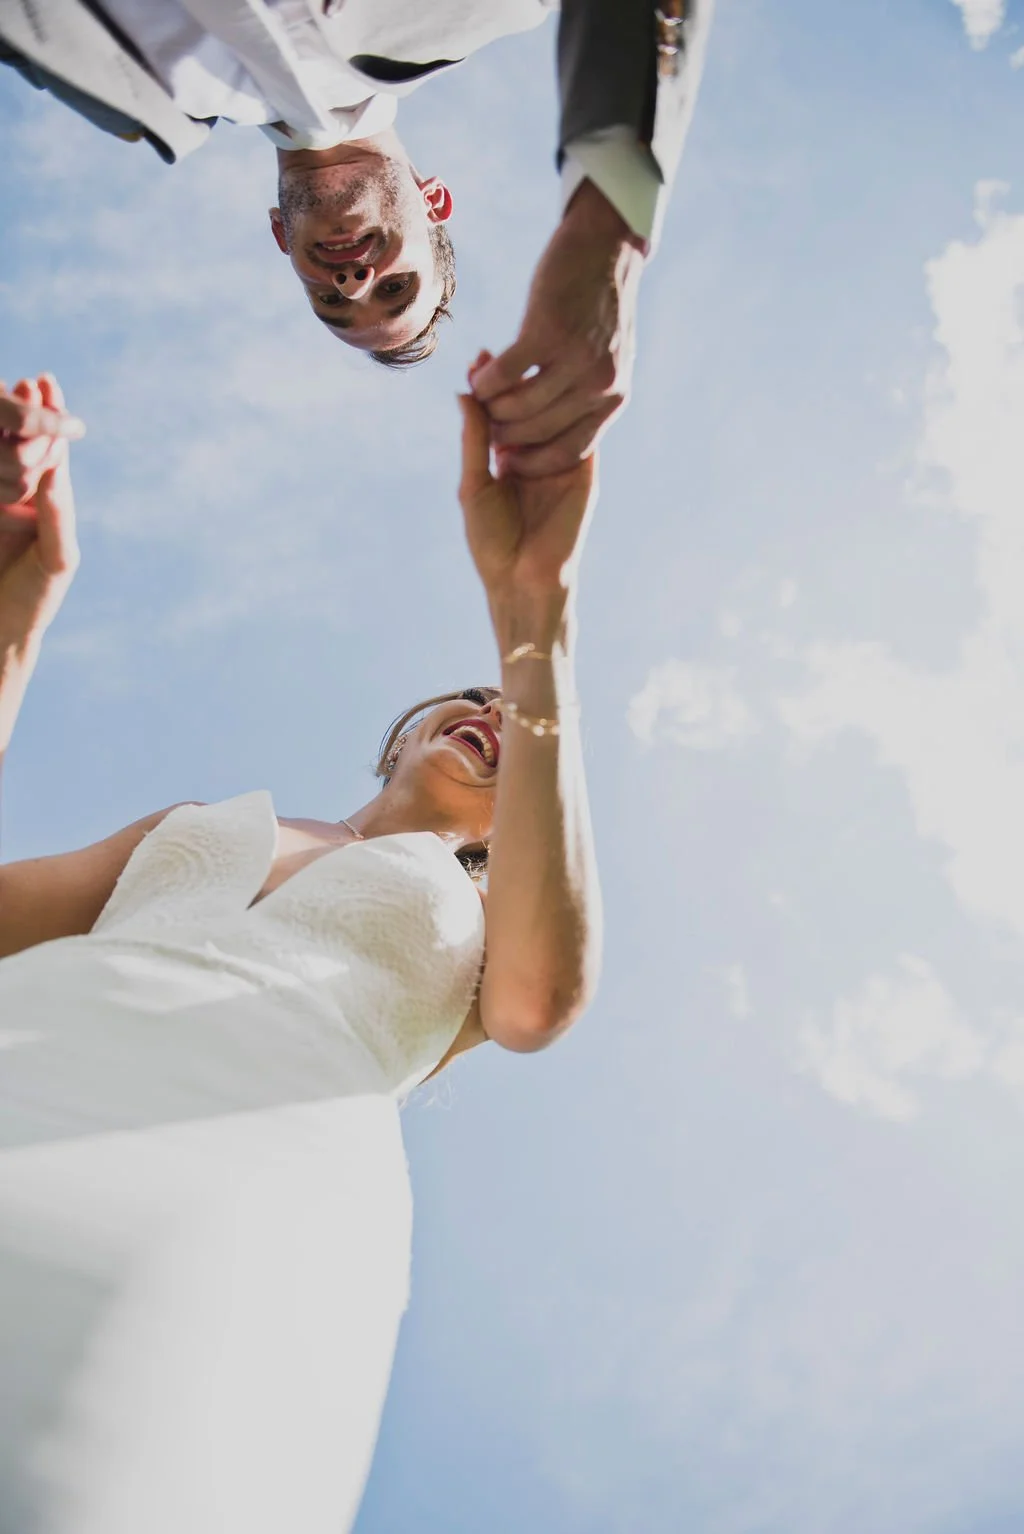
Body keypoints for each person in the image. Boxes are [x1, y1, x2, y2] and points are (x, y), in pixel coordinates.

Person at [0, 373, 601, 1534]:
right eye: (465, 693)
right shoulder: (198, 824)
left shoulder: (490, 932)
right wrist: (19, 615)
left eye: (512, 713)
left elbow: (537, 1007)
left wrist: (535, 624)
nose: (487, 704)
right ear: (399, 735)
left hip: (244, 1179)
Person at [0, 0, 713, 428]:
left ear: (283, 237)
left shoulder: (134, 104)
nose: (351, 284)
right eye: (395, 285)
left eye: (330, 301)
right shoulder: (482, 9)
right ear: (434, 201)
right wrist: (607, 234)